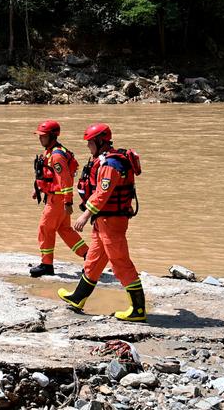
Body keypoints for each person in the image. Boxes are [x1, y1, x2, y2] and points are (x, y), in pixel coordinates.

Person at [57, 123, 146, 321]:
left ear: (100, 141)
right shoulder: (106, 160)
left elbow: (102, 194)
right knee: (94, 260)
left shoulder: (110, 165)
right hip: (103, 220)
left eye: (90, 142)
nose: (88, 146)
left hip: (112, 221)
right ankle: (78, 298)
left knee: (120, 262)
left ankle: (138, 310)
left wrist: (84, 215)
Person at [29, 120, 90, 278]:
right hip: (57, 198)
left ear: (52, 136)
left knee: (45, 229)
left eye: (43, 136)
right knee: (64, 230)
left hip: (58, 200)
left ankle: (46, 264)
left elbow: (66, 180)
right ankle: (89, 256)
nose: (40, 139)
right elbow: (46, 175)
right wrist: (38, 189)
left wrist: (67, 201)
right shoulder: (50, 151)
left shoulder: (56, 155)